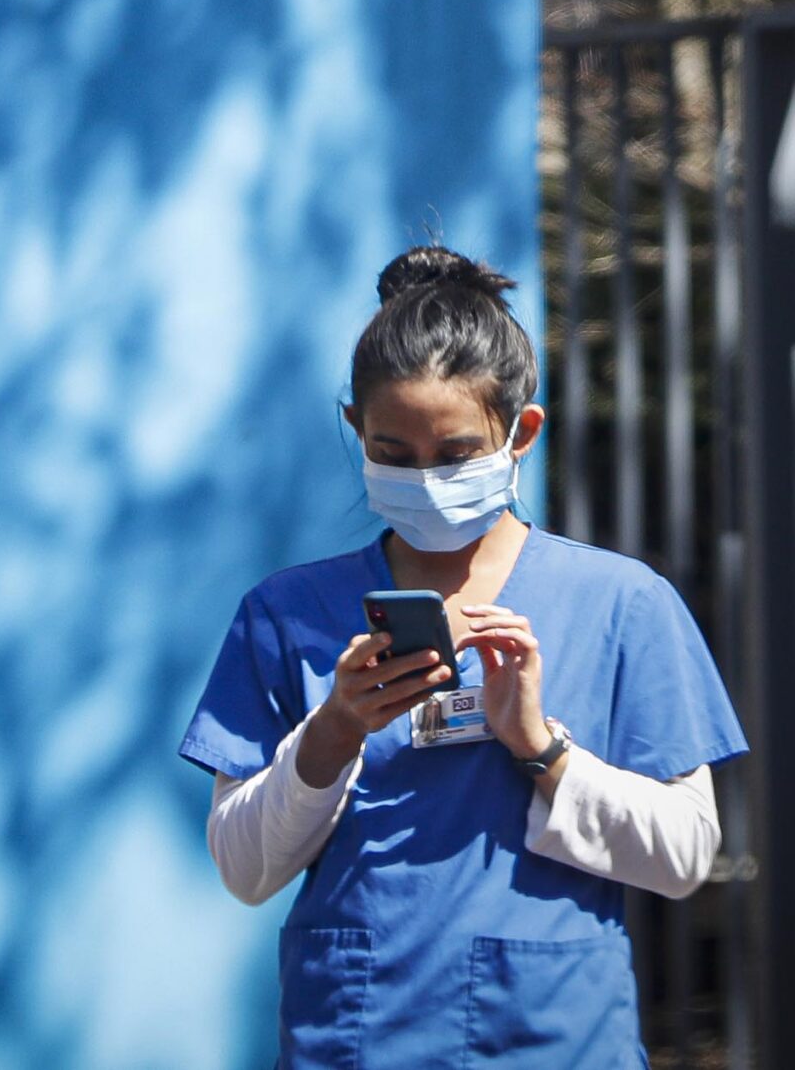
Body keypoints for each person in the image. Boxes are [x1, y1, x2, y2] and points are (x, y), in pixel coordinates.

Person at [179, 245, 747, 1067]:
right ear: (356, 432)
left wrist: (540, 748)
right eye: (394, 454)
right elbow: (243, 869)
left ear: (522, 433)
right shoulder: (286, 614)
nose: (427, 480)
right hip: (361, 1035)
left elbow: (685, 856)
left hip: (555, 1035)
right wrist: (332, 732)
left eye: (454, 455)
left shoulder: (624, 604)